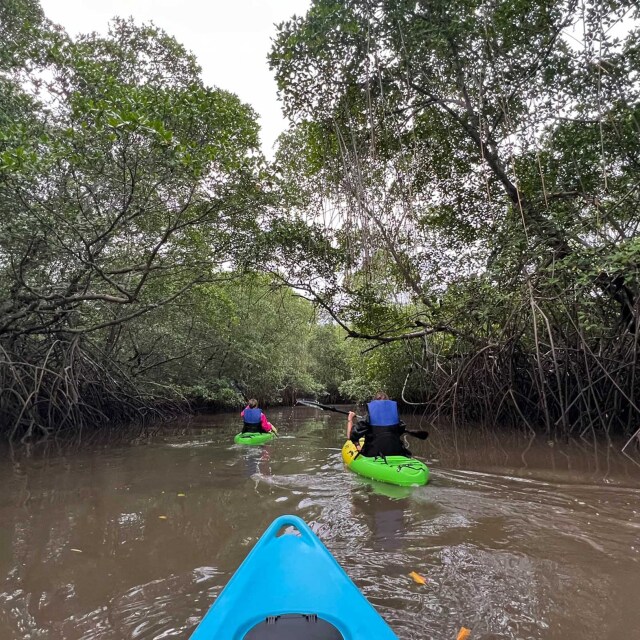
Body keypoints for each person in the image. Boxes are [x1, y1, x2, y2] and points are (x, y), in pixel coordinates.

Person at [347, 392, 410, 457]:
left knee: (355, 440)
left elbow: (350, 436)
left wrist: (350, 418)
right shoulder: (396, 419)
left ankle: (359, 448)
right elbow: (401, 430)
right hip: (397, 453)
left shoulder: (367, 419)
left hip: (373, 454)